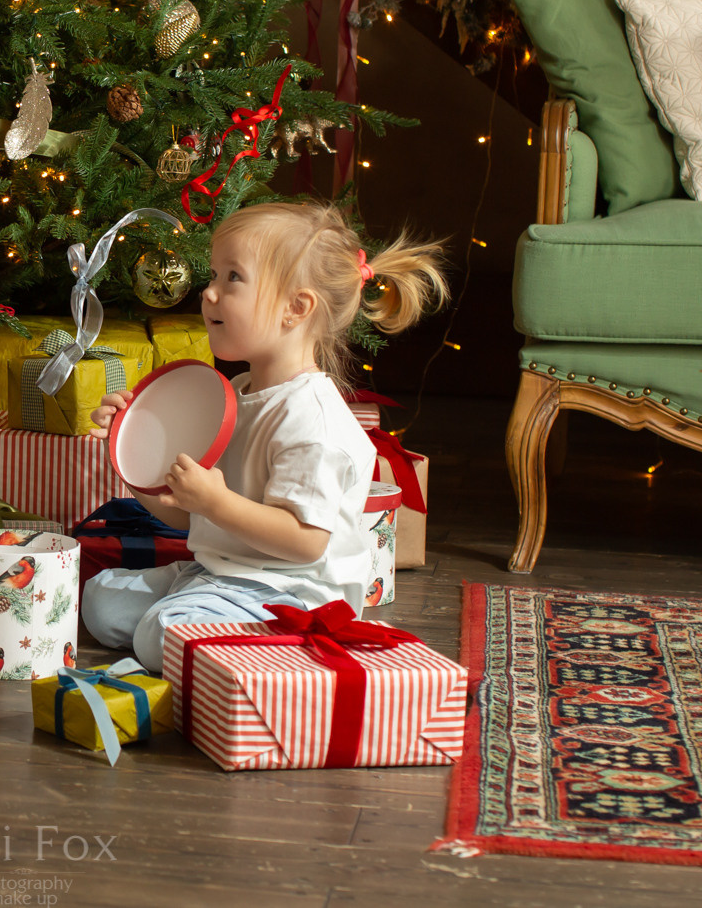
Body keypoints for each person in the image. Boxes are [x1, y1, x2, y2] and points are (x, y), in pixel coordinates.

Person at [82, 200, 445, 670]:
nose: (209, 293)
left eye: (232, 277)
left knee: (159, 632)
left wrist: (215, 502)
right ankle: (202, 634)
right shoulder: (236, 393)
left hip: (290, 592)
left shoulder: (312, 421)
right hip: (226, 571)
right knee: (99, 599)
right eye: (213, 275)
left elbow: (305, 542)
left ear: (296, 308)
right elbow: (186, 517)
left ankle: (273, 649)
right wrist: (131, 454)